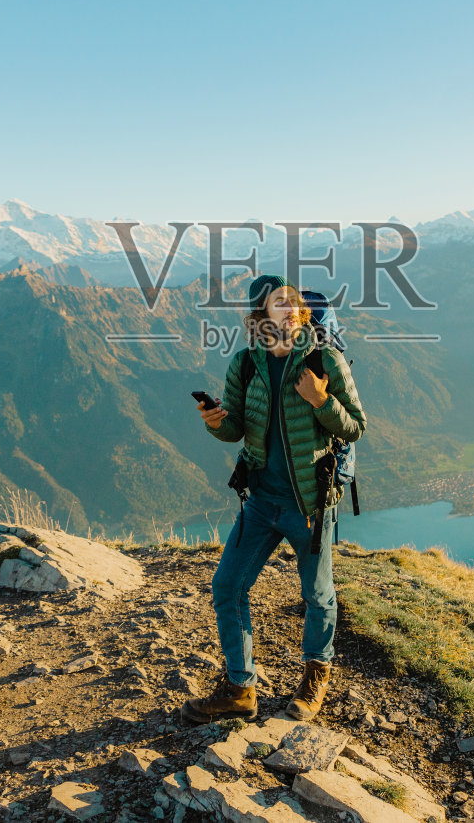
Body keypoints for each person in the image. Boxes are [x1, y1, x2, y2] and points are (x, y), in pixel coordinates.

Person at [182, 273, 366, 723]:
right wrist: (214, 421)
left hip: (310, 503)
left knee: (317, 594)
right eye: (274, 301)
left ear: (301, 308)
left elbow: (355, 426)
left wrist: (321, 400)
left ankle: (315, 677)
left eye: (290, 298)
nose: (284, 305)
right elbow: (237, 430)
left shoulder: (325, 361)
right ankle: (240, 690)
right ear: (260, 315)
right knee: (228, 585)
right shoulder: (246, 363)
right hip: (262, 499)